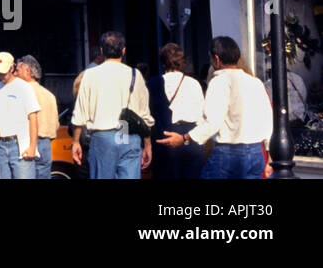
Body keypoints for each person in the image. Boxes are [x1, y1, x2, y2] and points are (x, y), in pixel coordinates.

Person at [156, 37, 273, 179]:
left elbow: (212, 122)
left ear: (216, 59)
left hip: (229, 153)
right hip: (255, 153)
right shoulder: (256, 83)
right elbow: (267, 121)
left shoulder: (219, 82)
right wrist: (270, 156)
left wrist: (184, 138)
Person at [70, 31, 153, 179]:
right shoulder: (135, 74)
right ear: (123, 50)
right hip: (128, 134)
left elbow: (80, 114)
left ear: (102, 51)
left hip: (102, 137)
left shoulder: (90, 75)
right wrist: (148, 144)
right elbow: (144, 115)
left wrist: (76, 141)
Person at [146, 43, 205, 179]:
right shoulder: (194, 84)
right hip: (189, 139)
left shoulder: (153, 83)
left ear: (163, 63)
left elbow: (148, 116)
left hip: (164, 139)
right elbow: (201, 116)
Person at [0, 52, 39, 179]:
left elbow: (33, 118)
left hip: (20, 146)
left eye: (3, 72)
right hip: (0, 145)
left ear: (12, 68)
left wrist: (32, 147)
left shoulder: (24, 88)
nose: (0, 76)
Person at [17, 55, 59, 179]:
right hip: (46, 144)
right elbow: (55, 124)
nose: (15, 74)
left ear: (27, 71)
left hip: (26, 143)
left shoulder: (21, 93)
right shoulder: (49, 95)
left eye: (18, 70)